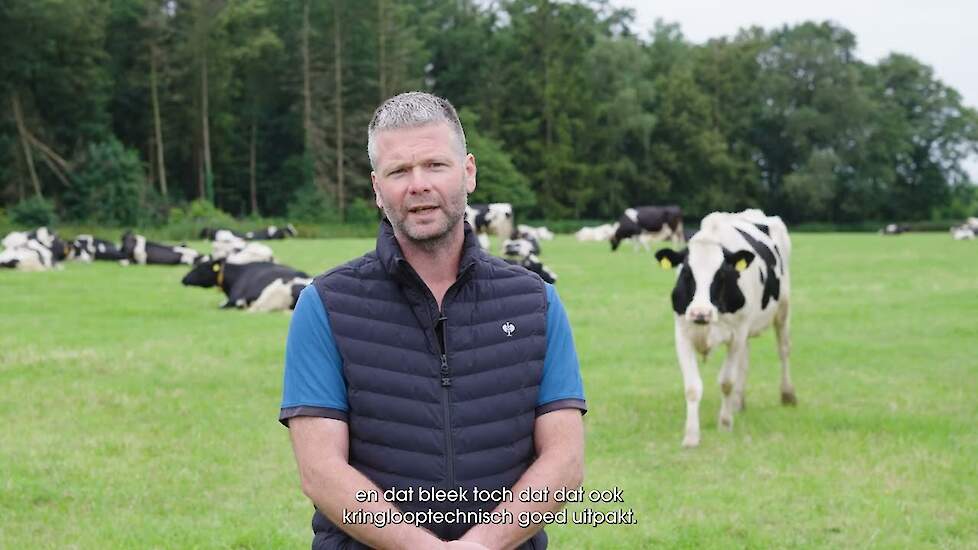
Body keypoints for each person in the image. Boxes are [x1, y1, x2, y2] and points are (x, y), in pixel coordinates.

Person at [280, 91, 586, 550]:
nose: (418, 184)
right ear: (377, 190)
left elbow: (564, 461)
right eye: (398, 171)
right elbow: (321, 471)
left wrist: (482, 544)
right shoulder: (325, 304)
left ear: (469, 172)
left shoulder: (535, 303)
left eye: (435, 165)